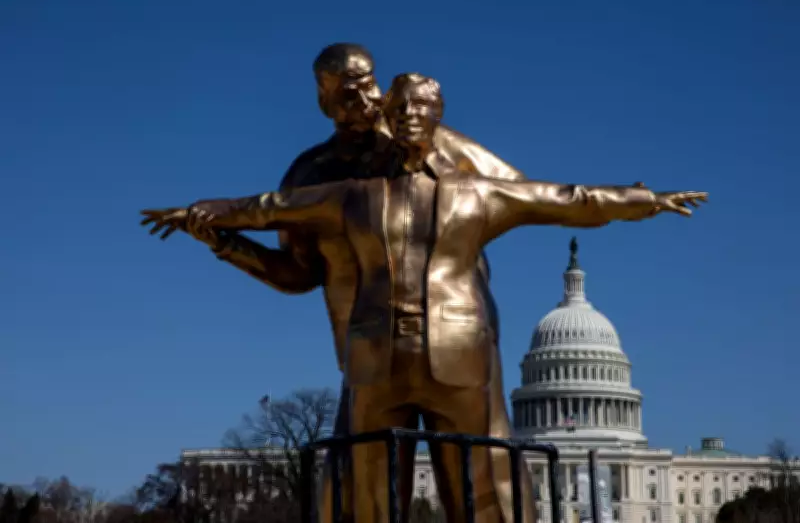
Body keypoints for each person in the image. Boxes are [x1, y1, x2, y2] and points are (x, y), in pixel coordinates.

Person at [142, 73, 707, 523]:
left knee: (484, 483)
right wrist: (202, 214)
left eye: (423, 108)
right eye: (402, 108)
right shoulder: (349, 194)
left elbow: (571, 199)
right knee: (363, 486)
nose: (411, 116)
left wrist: (646, 199)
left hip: (458, 351)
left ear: (439, 117)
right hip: (375, 355)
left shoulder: (480, 193)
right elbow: (268, 207)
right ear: (388, 117)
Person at [147, 43, 532, 522]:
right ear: (326, 105)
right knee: (359, 496)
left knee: (484, 482)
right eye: (349, 95)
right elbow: (296, 275)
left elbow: (514, 195)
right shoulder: (312, 174)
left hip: (453, 336)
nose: (367, 101)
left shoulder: (431, 142)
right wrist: (227, 245)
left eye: (370, 84)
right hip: (368, 351)